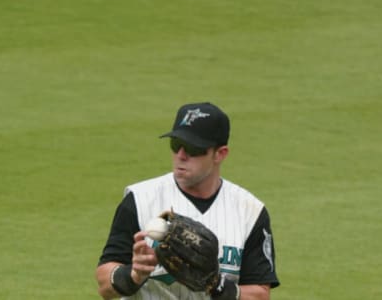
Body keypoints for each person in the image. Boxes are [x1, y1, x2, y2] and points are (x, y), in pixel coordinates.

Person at [96, 102, 280, 300]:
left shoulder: (249, 212)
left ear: (220, 153)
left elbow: (260, 295)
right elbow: (104, 283)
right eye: (176, 145)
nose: (181, 155)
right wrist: (133, 275)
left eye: (193, 148)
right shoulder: (141, 199)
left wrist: (216, 285)